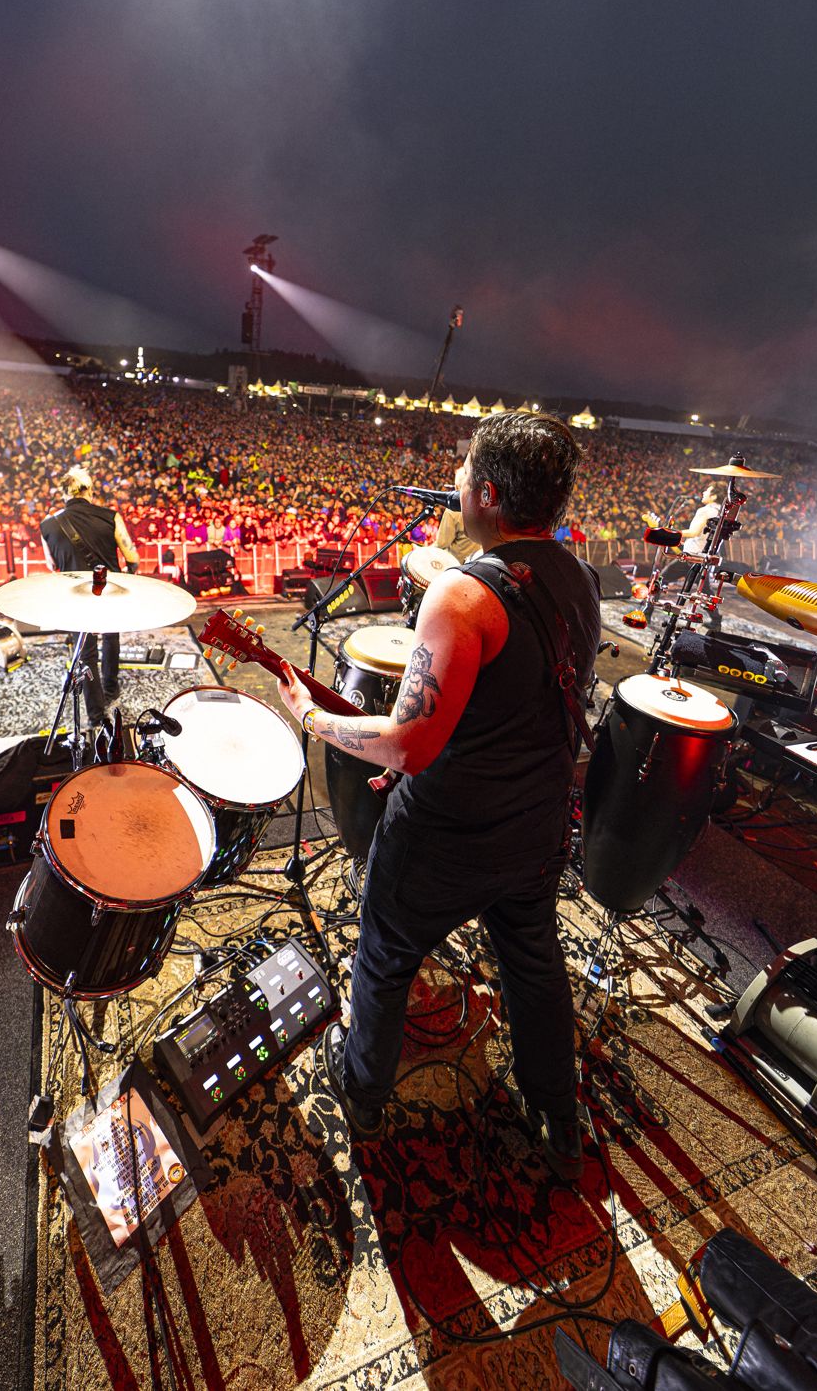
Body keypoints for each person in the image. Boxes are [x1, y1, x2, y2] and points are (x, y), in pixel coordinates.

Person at [278, 411, 601, 1178]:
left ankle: (360, 1096)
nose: (452, 481)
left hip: (448, 835)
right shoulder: (581, 581)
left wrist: (311, 716)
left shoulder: (462, 595)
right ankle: (557, 1118)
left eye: (461, 471)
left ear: (486, 493)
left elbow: (402, 744)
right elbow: (513, 706)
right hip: (537, 825)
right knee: (532, 959)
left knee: (385, 956)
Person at [40, 465, 139, 725]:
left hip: (75, 596)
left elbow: (52, 565)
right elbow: (132, 557)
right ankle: (111, 688)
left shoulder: (48, 525)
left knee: (86, 655)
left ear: (63, 494)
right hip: (108, 589)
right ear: (90, 491)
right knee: (110, 637)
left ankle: (95, 715)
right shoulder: (111, 517)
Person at [433, 442, 481, 564]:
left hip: (457, 565)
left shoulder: (453, 511)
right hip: (478, 562)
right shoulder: (482, 504)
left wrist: (423, 551)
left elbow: (442, 544)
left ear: (457, 485)